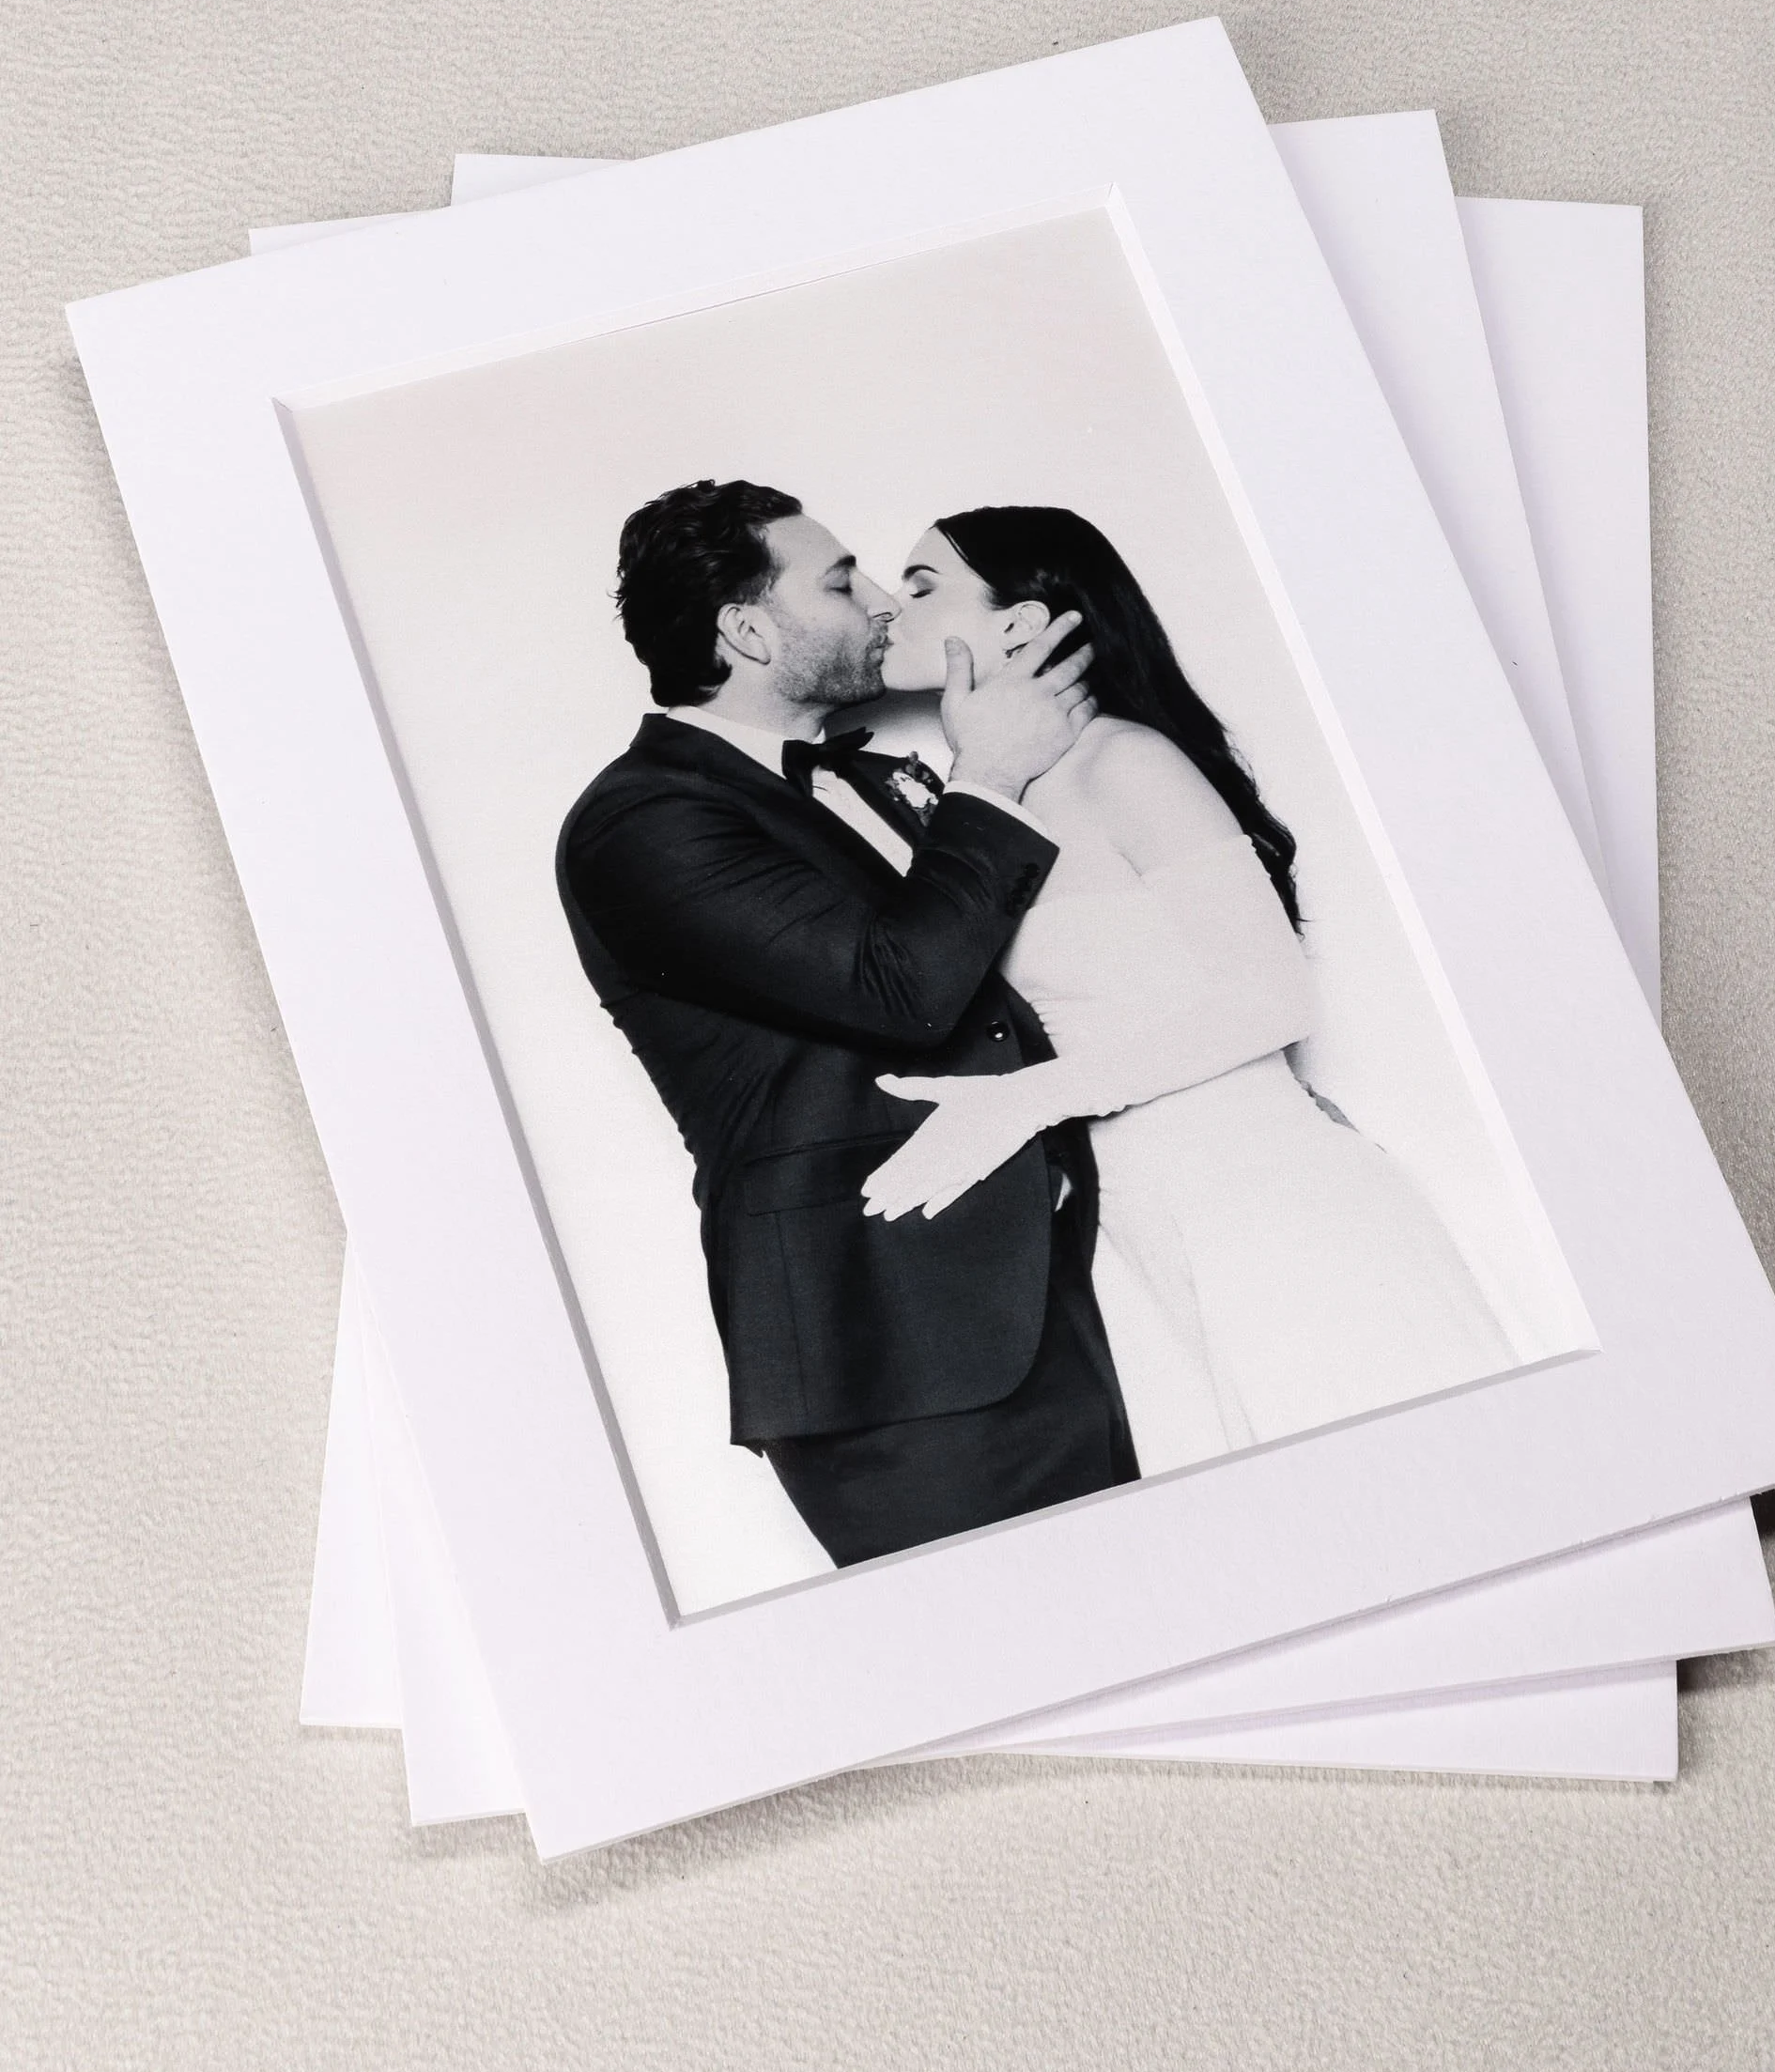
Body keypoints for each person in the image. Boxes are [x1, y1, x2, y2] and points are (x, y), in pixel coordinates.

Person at [555, 479, 1139, 1569]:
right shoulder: (641, 822)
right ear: (746, 629)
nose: (878, 600)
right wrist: (992, 774)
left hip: (1026, 1291)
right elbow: (902, 992)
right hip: (888, 1343)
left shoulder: (852, 777)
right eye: (838, 580)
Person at [864, 505, 1515, 1476]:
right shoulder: (995, 797)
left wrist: (1017, 1105)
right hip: (1142, 1232)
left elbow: (1272, 1000)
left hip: (1269, 1212)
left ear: (1018, 626)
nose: (888, 607)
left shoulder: (1126, 762)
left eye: (921, 586)